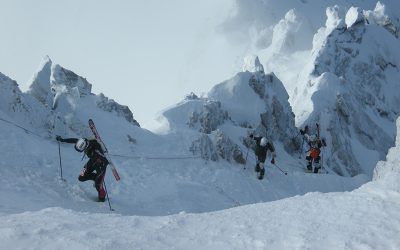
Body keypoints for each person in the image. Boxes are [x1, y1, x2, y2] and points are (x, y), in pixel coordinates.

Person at [56, 136, 108, 201]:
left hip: (101, 165)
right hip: (92, 161)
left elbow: (105, 160)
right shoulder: (84, 142)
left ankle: (102, 198)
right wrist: (62, 140)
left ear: (86, 147)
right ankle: (95, 178)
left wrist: (99, 175)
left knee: (98, 185)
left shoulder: (95, 150)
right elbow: (74, 140)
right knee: (81, 177)